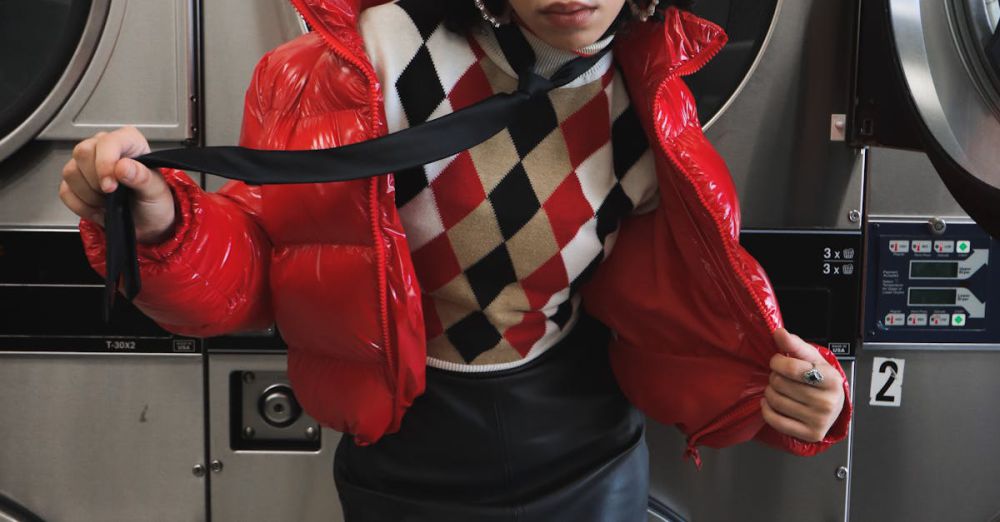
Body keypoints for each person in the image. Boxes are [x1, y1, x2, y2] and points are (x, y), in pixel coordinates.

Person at [58, 0, 851, 520]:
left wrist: (795, 391)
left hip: (582, 453)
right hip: (407, 453)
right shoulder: (352, 68)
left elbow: (688, 321)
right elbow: (258, 277)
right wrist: (164, 227)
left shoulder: (652, 101)